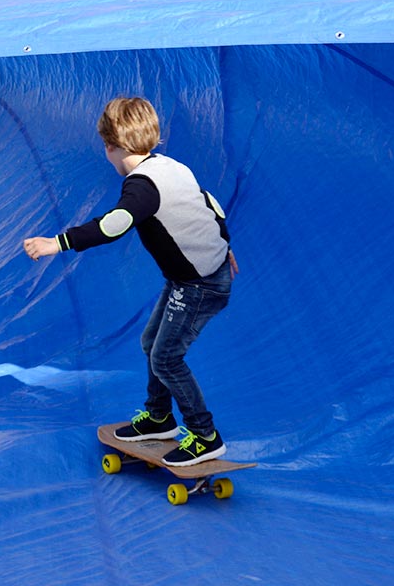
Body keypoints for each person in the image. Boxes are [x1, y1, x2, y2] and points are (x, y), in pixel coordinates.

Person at [23, 97, 237, 466]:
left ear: (111, 146)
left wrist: (56, 243)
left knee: (167, 358)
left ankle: (205, 436)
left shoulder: (140, 186)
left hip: (199, 285)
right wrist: (224, 244)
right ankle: (159, 418)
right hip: (195, 276)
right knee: (151, 343)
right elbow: (209, 203)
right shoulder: (170, 165)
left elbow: (114, 225)